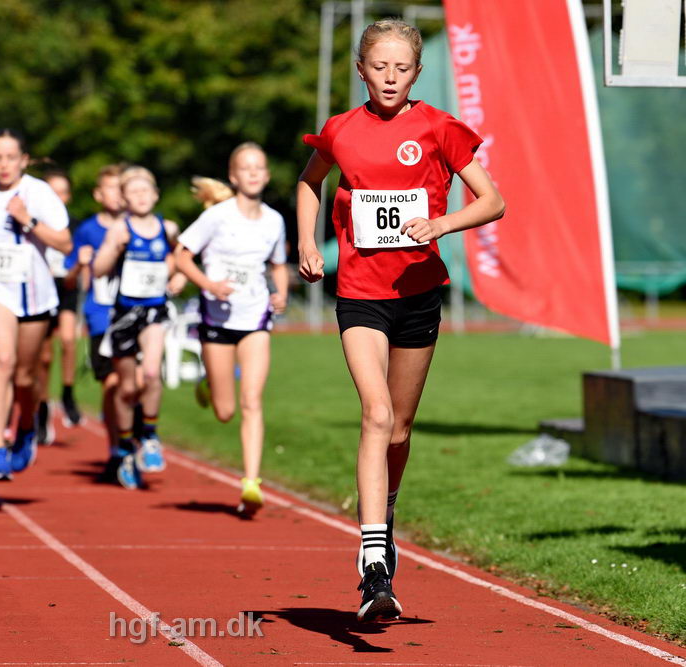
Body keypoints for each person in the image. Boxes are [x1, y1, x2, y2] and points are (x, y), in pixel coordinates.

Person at [298, 19, 505, 622]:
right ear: (361, 69)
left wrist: (440, 224)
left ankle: (383, 515)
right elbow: (310, 182)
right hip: (361, 294)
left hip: (418, 293)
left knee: (399, 431)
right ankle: (372, 563)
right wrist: (307, 242)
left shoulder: (438, 127)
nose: (390, 77)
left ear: (416, 72)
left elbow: (493, 201)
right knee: (376, 412)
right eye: (379, 66)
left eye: (402, 68)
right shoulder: (342, 130)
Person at [174, 143, 288, 517]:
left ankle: (251, 483)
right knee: (225, 411)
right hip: (217, 319)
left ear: (266, 175)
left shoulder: (274, 220)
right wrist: (209, 285)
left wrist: (281, 294)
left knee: (252, 400)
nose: (253, 173)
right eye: (246, 168)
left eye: (259, 167)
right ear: (233, 176)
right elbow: (181, 255)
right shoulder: (216, 217)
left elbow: (278, 264)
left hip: (255, 318)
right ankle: (208, 382)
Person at [0, 129, 72, 482]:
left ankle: (26, 425)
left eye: (11, 157)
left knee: (26, 377)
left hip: (36, 296)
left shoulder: (40, 193)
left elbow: (65, 243)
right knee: (3, 360)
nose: (4, 164)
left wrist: (28, 220)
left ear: (24, 160)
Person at [92, 166, 180, 489]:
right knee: (127, 388)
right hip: (124, 314)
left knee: (152, 373)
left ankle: (151, 436)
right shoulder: (120, 229)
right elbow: (98, 269)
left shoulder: (168, 228)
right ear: (124, 198)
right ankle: (126, 447)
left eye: (146, 190)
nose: (141, 196)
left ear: (155, 195)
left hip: (154, 310)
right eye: (134, 191)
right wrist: (114, 247)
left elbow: (181, 257)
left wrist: (178, 275)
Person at [64, 164, 126, 469]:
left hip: (135, 315)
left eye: (121, 187)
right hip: (101, 314)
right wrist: (80, 264)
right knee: (112, 383)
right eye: (110, 188)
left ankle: (136, 434)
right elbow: (68, 278)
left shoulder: (140, 225)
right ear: (98, 194)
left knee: (136, 383)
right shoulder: (87, 230)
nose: (117, 194)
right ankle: (116, 450)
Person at [34, 164, 82, 445]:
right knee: (43, 356)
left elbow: (79, 259)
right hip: (42, 290)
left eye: (63, 192)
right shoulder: (35, 223)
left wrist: (75, 271)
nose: (58, 198)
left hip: (66, 288)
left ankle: (67, 392)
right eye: (53, 192)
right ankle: (42, 407)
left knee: (68, 339)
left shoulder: (75, 226)